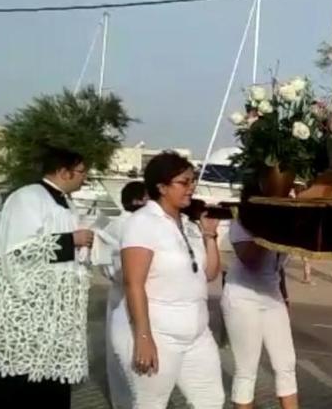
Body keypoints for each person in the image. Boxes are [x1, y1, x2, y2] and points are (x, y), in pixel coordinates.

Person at [0, 147, 94, 408]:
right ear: (62, 171)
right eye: (81, 172)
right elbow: (17, 250)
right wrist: (71, 240)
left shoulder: (66, 201)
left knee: (48, 380)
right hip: (25, 312)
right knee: (11, 383)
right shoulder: (28, 198)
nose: (84, 178)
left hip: (55, 313)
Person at [110, 151, 224, 408]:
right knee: (152, 404)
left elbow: (208, 274)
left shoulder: (187, 223)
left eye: (192, 181)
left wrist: (209, 236)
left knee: (211, 401)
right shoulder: (143, 223)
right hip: (157, 332)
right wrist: (143, 338)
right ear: (162, 187)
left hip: (196, 333)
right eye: (184, 182)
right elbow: (133, 283)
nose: (191, 188)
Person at [221, 188, 299, 409]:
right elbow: (250, 260)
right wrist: (270, 227)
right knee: (247, 370)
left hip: (272, 294)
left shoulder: (284, 225)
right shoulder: (242, 222)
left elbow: (278, 267)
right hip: (242, 296)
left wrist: (284, 296)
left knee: (286, 364)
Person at [99, 181, 148, 409]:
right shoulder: (132, 225)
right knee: (129, 355)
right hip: (129, 298)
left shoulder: (113, 225)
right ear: (140, 200)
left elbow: (104, 267)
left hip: (119, 295)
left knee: (119, 357)